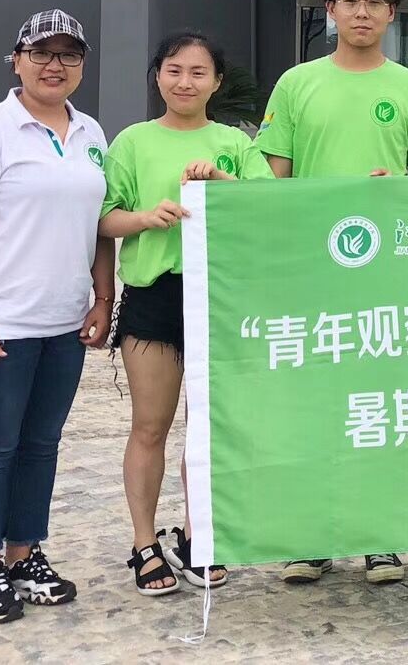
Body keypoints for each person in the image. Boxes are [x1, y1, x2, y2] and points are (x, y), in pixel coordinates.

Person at [257, 0, 408, 587]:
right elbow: (272, 176)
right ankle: (312, 537)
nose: (362, 13)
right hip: (312, 272)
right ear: (330, 10)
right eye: (350, 2)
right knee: (314, 404)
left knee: (380, 404)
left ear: (392, 14)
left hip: (387, 274)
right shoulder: (296, 84)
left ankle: (379, 536)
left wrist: (398, 192)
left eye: (375, 3)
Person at [0, 9, 115, 625]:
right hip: (3, 324)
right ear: (17, 60)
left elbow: (99, 225)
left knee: (41, 445)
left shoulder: (91, 132)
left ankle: (23, 554)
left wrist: (102, 299)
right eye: (41, 53)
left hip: (64, 322)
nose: (54, 65)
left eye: (69, 55)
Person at [99, 31, 273, 596]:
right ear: (157, 77)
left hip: (220, 299)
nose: (185, 82)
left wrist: (221, 182)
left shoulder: (235, 142)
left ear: (217, 82)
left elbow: (268, 207)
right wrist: (145, 219)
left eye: (198, 72)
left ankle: (198, 536)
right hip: (154, 298)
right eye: (174, 70)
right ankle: (143, 542)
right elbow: (104, 216)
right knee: (150, 425)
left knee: (206, 429)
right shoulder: (132, 142)